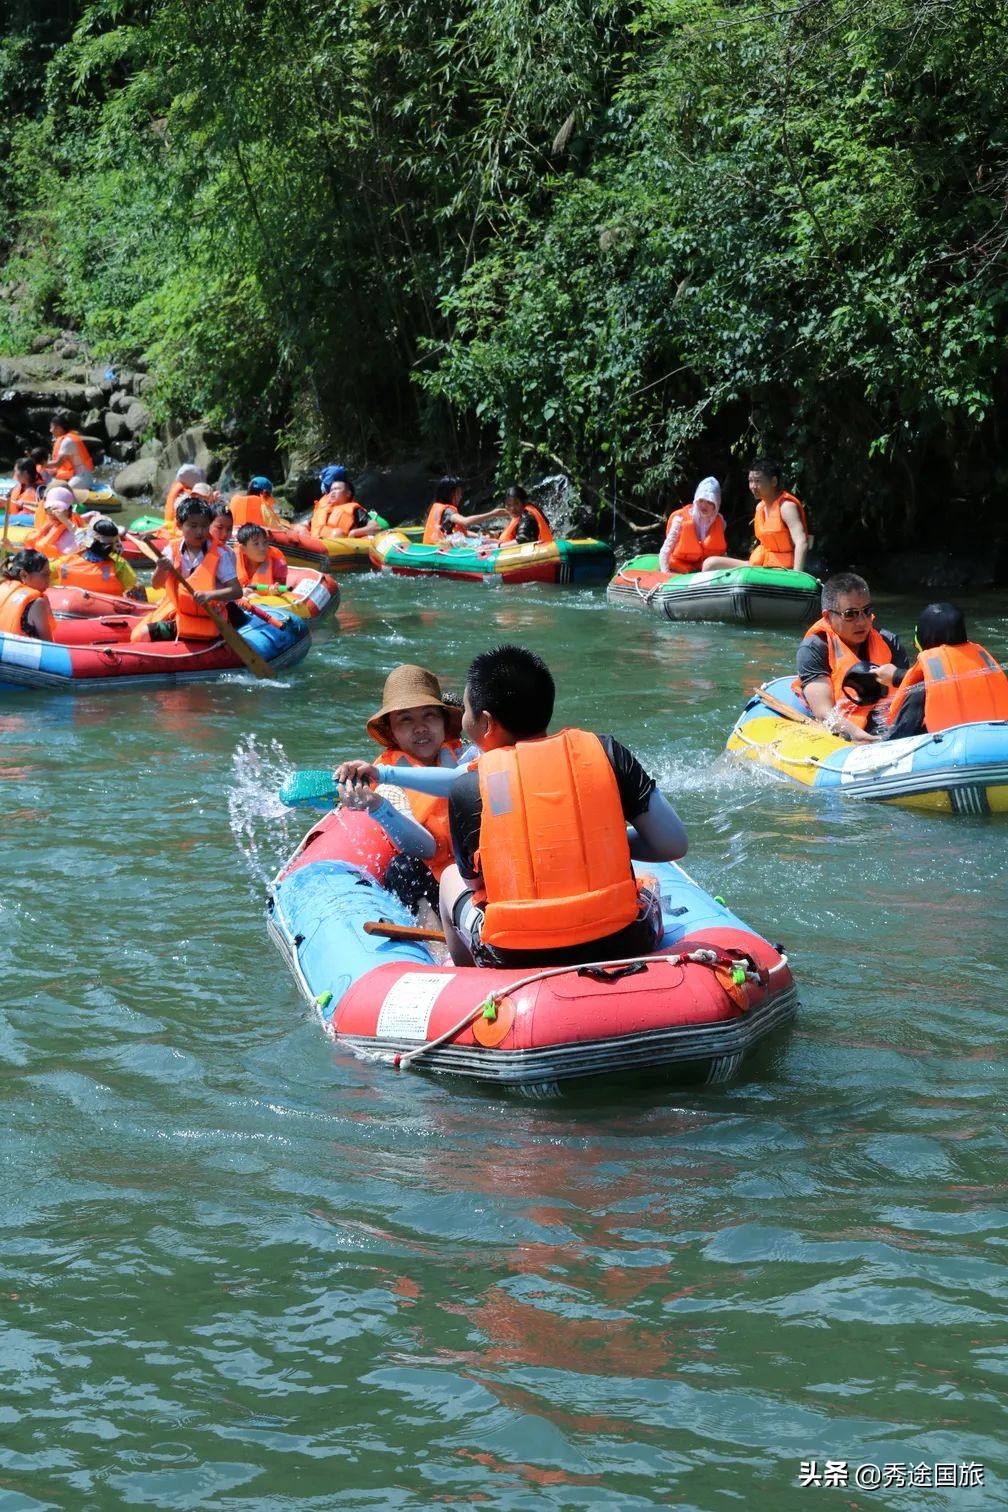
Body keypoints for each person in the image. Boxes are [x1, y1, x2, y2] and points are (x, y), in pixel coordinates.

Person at [337, 665, 465, 914]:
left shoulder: (465, 755)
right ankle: (439, 949)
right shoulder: (386, 783)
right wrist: (376, 805)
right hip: (436, 882)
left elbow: (457, 783)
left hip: (476, 870)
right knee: (403, 867)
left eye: (429, 715)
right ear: (391, 731)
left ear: (443, 721)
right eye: (406, 719)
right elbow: (425, 849)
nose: (420, 728)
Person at [794, 572, 910, 741]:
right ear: (828, 616)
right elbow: (824, 713)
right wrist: (860, 736)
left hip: (887, 723)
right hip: (847, 732)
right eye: (850, 614)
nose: (862, 621)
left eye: (867, 611)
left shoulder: (888, 641)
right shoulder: (815, 648)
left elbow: (908, 695)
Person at [884, 603, 1008, 739]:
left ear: (921, 640)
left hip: (949, 754)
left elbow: (898, 738)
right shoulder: (985, 670)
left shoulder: (921, 690)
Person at [130, 496, 242, 642]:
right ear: (179, 525)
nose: (200, 532)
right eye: (193, 526)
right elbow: (156, 585)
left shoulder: (220, 554)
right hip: (181, 614)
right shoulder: (171, 550)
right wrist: (161, 568)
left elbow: (237, 591)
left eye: (204, 525)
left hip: (211, 617)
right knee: (140, 635)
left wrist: (210, 595)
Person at [703, 457, 809, 573]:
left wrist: (797, 576)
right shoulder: (760, 507)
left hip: (784, 569)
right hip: (763, 565)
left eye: (758, 481)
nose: (752, 486)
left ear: (774, 481)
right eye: (750, 481)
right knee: (710, 563)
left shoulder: (786, 507)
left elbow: (801, 542)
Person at [52, 517, 145, 600]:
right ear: (112, 545)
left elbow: (43, 573)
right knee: (139, 586)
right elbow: (133, 586)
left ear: (87, 540)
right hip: (108, 611)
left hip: (68, 610)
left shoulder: (65, 562)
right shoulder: (118, 564)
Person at [658, 477, 728, 574]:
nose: (704, 505)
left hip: (705, 569)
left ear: (716, 505)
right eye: (701, 500)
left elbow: (721, 553)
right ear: (696, 500)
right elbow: (665, 550)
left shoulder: (721, 521)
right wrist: (665, 573)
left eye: (709, 502)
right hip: (680, 568)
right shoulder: (680, 519)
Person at [422, 477, 505, 545]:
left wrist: (480, 536)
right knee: (495, 543)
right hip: (439, 549)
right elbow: (466, 521)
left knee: (492, 541)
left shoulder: (438, 506)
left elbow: (462, 533)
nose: (461, 496)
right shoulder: (448, 511)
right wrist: (492, 514)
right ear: (448, 494)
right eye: (458, 493)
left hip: (436, 546)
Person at [311, 467, 379, 539]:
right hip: (316, 541)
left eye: (336, 489)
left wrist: (354, 532)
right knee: (300, 527)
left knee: (337, 533)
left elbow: (376, 526)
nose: (332, 492)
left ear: (348, 494)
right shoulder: (324, 508)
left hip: (340, 544)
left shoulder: (354, 509)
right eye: (331, 490)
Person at [0, 550, 55, 639]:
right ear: (24, 575)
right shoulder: (37, 603)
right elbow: (48, 647)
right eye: (45, 575)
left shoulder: (2, 588)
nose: (49, 581)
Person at [24, 486, 85, 557]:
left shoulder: (74, 532)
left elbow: (87, 542)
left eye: (58, 509)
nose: (53, 512)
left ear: (69, 510)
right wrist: (12, 548)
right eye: (49, 509)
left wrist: (65, 520)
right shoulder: (48, 527)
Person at [43, 411, 94, 487]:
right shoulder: (69, 437)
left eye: (51, 427)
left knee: (63, 492)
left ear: (59, 428)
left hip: (82, 477)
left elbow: (58, 463)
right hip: (80, 475)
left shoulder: (67, 441)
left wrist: (41, 463)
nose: (50, 430)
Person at [235, 524, 289, 588]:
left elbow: (282, 590)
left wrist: (276, 591)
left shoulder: (278, 565)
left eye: (265, 542)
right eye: (256, 544)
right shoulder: (232, 562)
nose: (262, 548)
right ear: (243, 549)